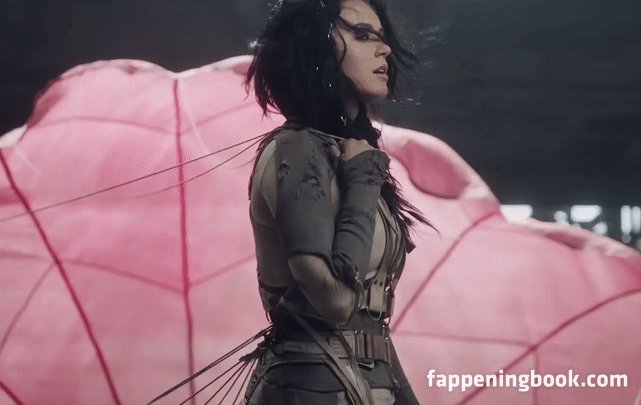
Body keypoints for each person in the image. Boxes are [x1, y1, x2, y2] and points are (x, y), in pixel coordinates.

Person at [241, 0, 432, 404]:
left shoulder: (347, 153)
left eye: (382, 38)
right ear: (315, 45)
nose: (385, 49)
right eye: (362, 35)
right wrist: (363, 180)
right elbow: (336, 301)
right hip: (310, 389)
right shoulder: (298, 152)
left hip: (365, 385)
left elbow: (372, 327)